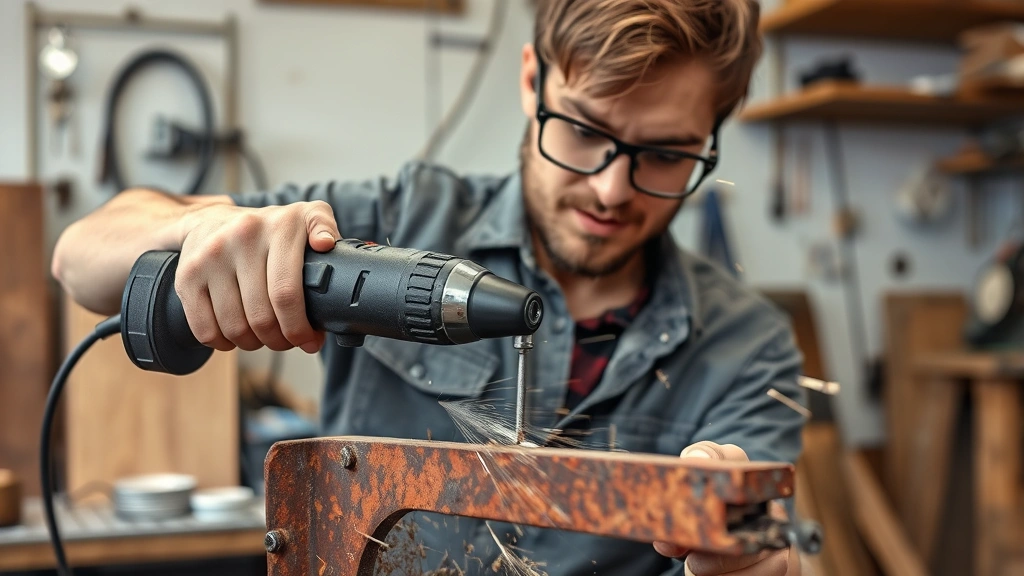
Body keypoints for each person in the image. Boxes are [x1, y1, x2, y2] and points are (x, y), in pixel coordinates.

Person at [52, 0, 809, 574]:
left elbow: (764, 546)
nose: (612, 189)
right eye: (583, 131)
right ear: (531, 81)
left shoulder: (749, 347)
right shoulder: (395, 219)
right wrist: (211, 227)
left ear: (712, 136)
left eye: (666, 154)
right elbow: (79, 258)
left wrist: (746, 561)